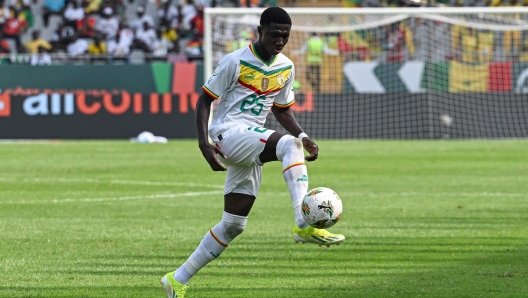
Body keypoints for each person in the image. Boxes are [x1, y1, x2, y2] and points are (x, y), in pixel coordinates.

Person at [160, 7, 345, 298]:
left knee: (233, 225)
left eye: (285, 35)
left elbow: (282, 111)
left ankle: (176, 279)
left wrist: (304, 135)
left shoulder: (286, 66)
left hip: (251, 140)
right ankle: (302, 221)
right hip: (228, 133)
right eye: (274, 34)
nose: (280, 40)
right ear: (260, 31)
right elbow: (204, 101)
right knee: (288, 145)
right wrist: (203, 143)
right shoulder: (234, 61)